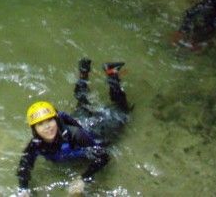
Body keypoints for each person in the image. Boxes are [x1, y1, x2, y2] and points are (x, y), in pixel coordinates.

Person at [17, 59, 131, 193]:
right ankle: (83, 74)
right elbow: (24, 167)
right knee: (82, 102)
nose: (47, 127)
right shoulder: (35, 144)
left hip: (93, 128)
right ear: (34, 130)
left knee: (123, 111)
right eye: (40, 124)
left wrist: (83, 178)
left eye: (49, 121)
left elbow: (103, 157)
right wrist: (23, 190)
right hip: (79, 119)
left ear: (57, 121)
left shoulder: (75, 134)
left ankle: (112, 73)